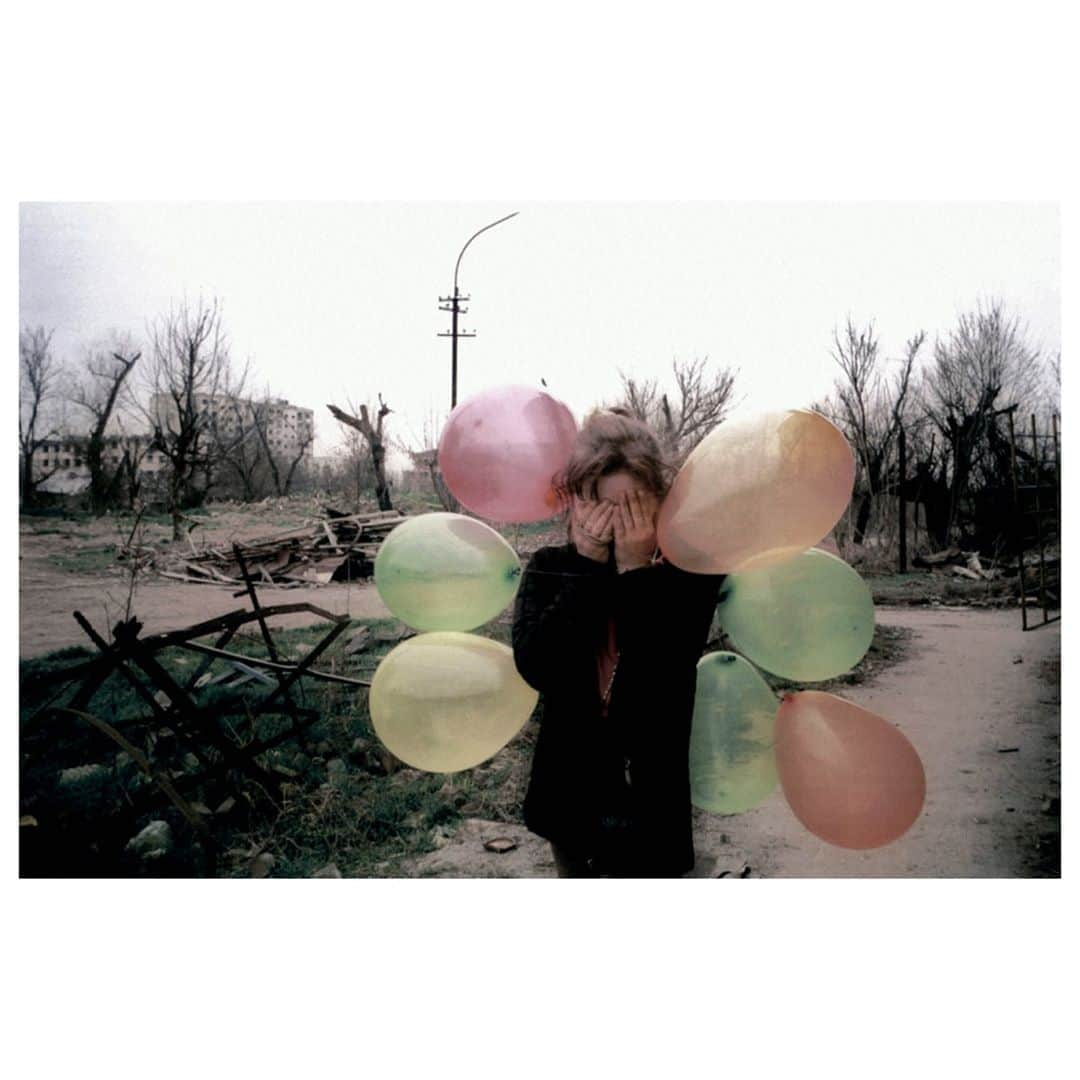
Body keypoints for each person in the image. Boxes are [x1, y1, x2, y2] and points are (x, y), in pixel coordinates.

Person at [511, 408, 725, 877]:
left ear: (660, 501)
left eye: (632, 507)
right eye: (600, 506)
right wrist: (587, 566)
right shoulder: (552, 566)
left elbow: (664, 668)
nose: (615, 524)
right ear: (575, 501)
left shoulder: (690, 572)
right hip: (568, 794)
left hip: (650, 797)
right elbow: (537, 664)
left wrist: (635, 572)